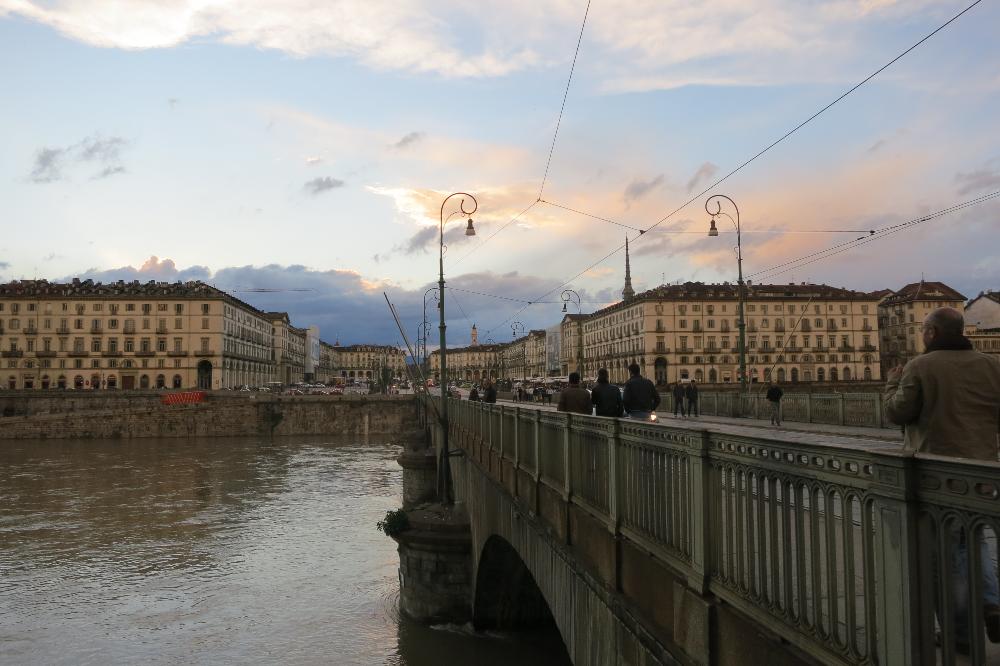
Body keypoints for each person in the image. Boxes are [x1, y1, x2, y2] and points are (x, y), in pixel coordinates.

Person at [885, 307, 1000, 649]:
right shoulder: (993, 365)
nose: (922, 335)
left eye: (923, 330)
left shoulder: (921, 366)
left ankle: (961, 636)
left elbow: (897, 413)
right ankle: (992, 603)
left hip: (937, 474)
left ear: (932, 332)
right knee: (973, 540)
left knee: (948, 559)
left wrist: (893, 381)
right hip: (981, 473)